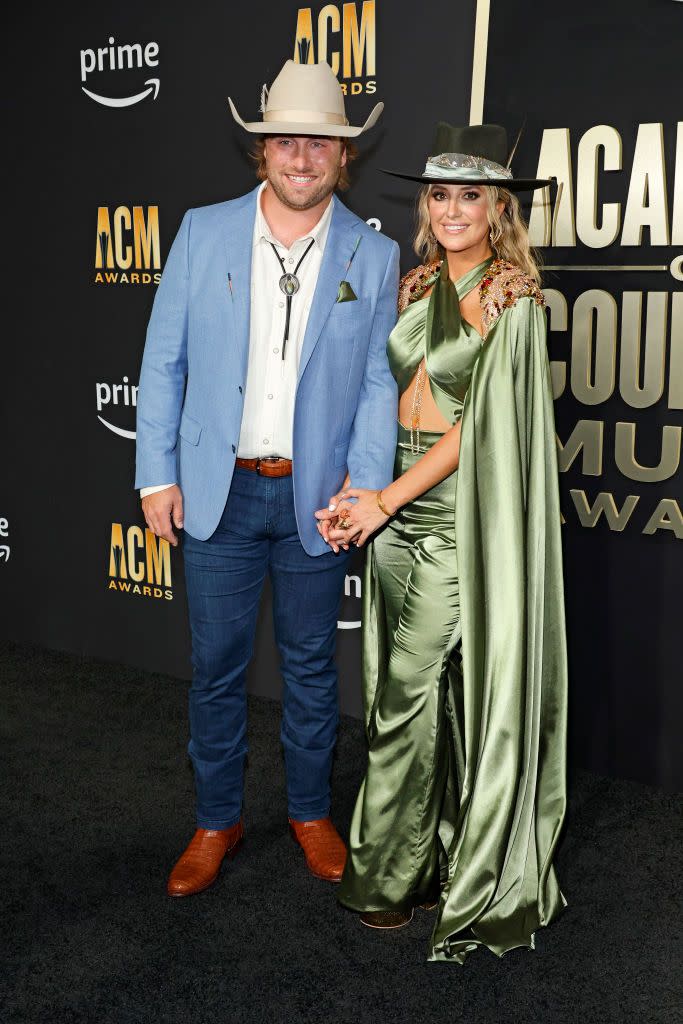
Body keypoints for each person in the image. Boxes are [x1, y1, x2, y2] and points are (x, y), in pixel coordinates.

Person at [135, 60, 399, 897]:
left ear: (341, 156)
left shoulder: (375, 251)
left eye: (318, 142)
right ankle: (216, 818)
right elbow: (163, 362)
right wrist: (155, 478)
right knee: (215, 666)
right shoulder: (203, 231)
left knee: (313, 667)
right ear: (262, 149)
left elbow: (375, 388)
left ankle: (311, 813)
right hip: (218, 490)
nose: (301, 156)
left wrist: (362, 489)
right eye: (286, 139)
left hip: (315, 501)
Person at [316, 123, 568, 962]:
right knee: (419, 696)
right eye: (439, 193)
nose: (452, 208)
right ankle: (431, 855)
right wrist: (362, 493)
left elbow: (478, 431)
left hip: (457, 516)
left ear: (498, 208)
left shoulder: (515, 299)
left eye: (470, 195)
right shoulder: (417, 280)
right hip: (391, 500)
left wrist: (384, 499)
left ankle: (386, 878)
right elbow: (388, 399)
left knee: (402, 701)